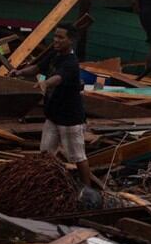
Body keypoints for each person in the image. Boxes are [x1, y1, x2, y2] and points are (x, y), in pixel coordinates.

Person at [10, 24, 91, 187]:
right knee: (45, 154)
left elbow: (59, 78)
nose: (56, 40)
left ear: (71, 40)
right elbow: (37, 68)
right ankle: (45, 184)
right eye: (55, 36)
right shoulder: (55, 54)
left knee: (77, 156)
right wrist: (19, 72)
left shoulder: (71, 63)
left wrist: (45, 83)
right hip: (53, 116)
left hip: (69, 118)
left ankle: (88, 188)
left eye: (61, 37)